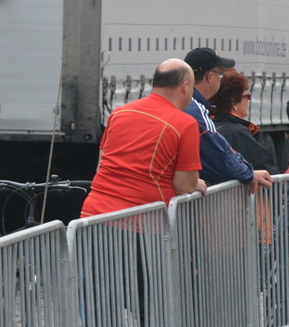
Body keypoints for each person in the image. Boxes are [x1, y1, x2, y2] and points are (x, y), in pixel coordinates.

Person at [82, 59, 205, 216]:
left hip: (93, 214)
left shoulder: (119, 113)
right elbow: (183, 186)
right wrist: (194, 184)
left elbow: (101, 166)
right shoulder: (185, 124)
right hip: (142, 221)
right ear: (185, 86)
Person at [184, 47, 269, 191]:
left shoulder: (190, 105)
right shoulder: (195, 108)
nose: (221, 79)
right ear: (210, 77)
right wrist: (249, 173)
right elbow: (219, 155)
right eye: (220, 74)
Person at [205, 71, 277, 174]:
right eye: (247, 97)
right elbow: (265, 167)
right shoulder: (238, 133)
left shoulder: (208, 126)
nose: (249, 101)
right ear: (234, 102)